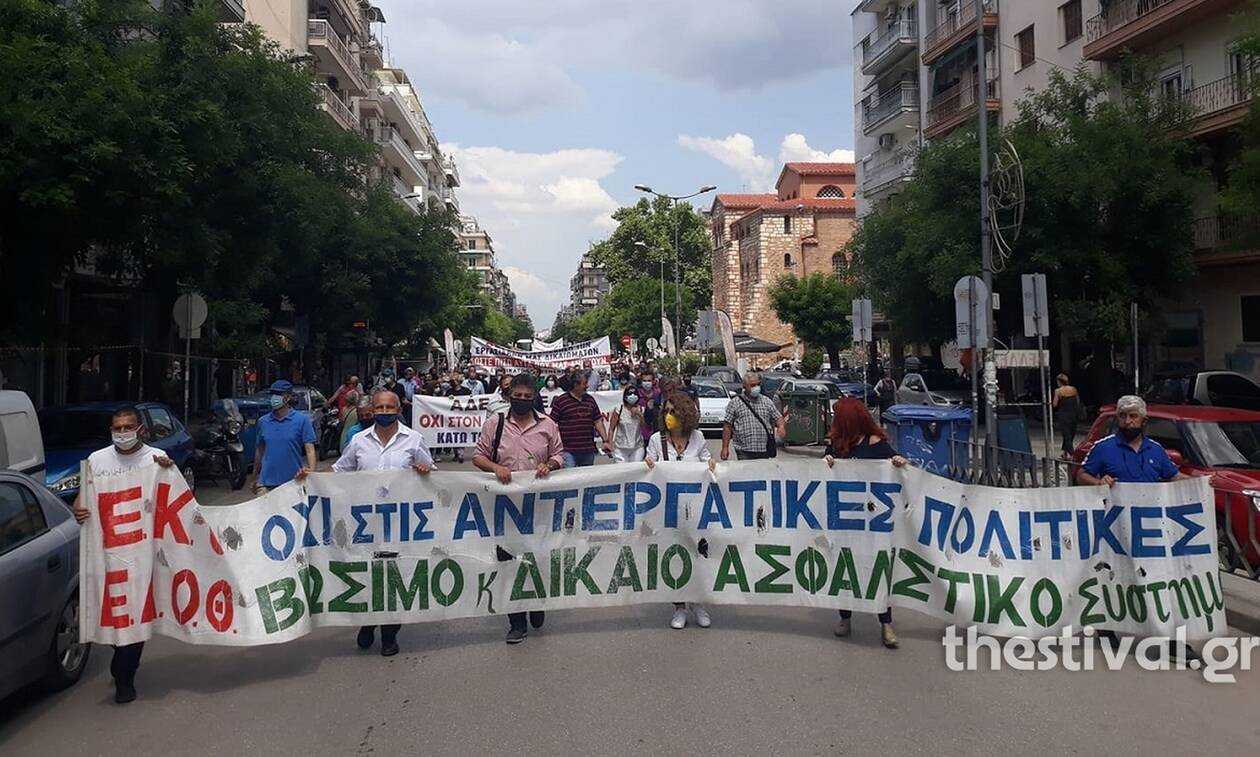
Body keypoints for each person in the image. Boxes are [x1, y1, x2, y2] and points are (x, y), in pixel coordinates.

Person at [1076, 394, 1195, 660]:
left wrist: (1200, 484)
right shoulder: (1103, 447)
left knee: (1161, 583)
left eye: (1133, 416)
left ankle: (1173, 641)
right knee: (1116, 578)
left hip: (1152, 531)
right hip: (1116, 531)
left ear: (1144, 420)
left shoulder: (1156, 450)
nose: (1127, 421)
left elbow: (1173, 476)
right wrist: (1098, 483)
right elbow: (1081, 474)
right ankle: (1107, 625)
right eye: (1122, 416)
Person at [71, 406, 175, 704]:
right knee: (115, 614)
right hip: (109, 553)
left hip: (142, 553)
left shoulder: (156, 458)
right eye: (117, 428)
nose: (122, 433)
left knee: (137, 614)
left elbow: (172, 496)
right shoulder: (97, 460)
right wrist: (79, 508)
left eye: (128, 427)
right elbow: (84, 496)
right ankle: (121, 660)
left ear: (140, 429)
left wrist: (169, 470)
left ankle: (125, 676)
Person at [333, 390, 433, 656]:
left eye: (390, 407)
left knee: (395, 576)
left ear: (399, 409)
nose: (385, 412)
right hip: (365, 523)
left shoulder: (413, 439)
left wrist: (424, 471)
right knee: (368, 574)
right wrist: (309, 478)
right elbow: (339, 473)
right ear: (372, 410)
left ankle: (390, 634)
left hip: (401, 523)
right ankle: (367, 623)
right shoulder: (358, 441)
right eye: (380, 407)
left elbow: (432, 475)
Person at [472, 373, 564, 644]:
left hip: (539, 506)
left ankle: (536, 602)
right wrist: (495, 468)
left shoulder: (548, 425)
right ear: (509, 396)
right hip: (505, 507)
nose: (522, 400)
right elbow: (478, 456)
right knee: (509, 562)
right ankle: (516, 621)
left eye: (527, 396)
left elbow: (559, 454)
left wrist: (550, 465)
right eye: (517, 396)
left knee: (538, 558)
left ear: (534, 398)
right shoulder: (495, 423)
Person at [823, 397, 908, 649]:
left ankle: (886, 623)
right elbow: (822, 469)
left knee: (877, 570)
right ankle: (845, 618)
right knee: (845, 569)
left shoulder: (875, 443)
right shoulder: (837, 445)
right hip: (844, 520)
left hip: (872, 520)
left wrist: (899, 462)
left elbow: (895, 464)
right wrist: (827, 462)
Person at [644, 392, 716, 630]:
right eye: (665, 411)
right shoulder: (657, 439)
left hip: (696, 508)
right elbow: (648, 465)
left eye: (673, 412)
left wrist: (711, 464)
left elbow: (706, 460)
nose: (668, 416)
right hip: (668, 509)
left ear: (685, 414)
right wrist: (648, 464)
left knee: (698, 554)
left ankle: (698, 604)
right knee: (674, 556)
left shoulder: (698, 437)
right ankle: (679, 607)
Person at [249, 380, 317, 494]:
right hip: (266, 484)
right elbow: (259, 451)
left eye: (279, 394)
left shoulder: (302, 420)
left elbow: (310, 450)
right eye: (273, 394)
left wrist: (312, 473)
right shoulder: (263, 422)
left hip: (293, 483)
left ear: (288, 397)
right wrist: (254, 477)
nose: (274, 397)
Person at [721, 373, 786, 461]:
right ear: (744, 386)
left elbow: (778, 417)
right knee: (746, 470)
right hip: (744, 450)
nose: (756, 387)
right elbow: (727, 426)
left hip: (764, 449)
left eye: (758, 384)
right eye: (752, 385)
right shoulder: (735, 403)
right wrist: (725, 447)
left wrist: (781, 426)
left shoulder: (766, 401)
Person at [549, 371, 609, 467]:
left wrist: (605, 441)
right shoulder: (561, 401)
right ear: (575, 385)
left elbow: (598, 421)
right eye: (584, 383)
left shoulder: (590, 400)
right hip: (567, 451)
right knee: (570, 475)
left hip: (588, 450)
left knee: (587, 476)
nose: (587, 386)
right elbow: (551, 423)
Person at [605, 385, 647, 462]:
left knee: (636, 468)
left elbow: (644, 426)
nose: (632, 396)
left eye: (634, 394)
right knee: (622, 468)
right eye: (630, 394)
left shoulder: (641, 409)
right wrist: (610, 443)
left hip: (637, 447)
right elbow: (611, 429)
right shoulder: (619, 409)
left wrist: (639, 414)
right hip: (620, 448)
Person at [1052, 373, 1084, 458]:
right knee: (1071, 434)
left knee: (1066, 435)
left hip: (1063, 415)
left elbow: (1055, 404)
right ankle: (1065, 453)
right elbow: (1078, 401)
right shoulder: (1073, 389)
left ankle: (1072, 454)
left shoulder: (1058, 391)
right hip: (1073, 414)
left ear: (1059, 382)